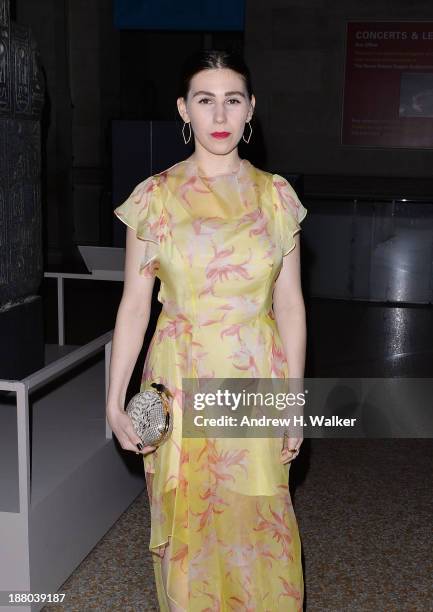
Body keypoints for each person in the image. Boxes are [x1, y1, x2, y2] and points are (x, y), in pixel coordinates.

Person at [106, 49, 307, 611]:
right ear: (184, 110)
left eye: (233, 100)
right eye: (205, 100)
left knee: (259, 518)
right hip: (179, 378)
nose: (219, 114)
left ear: (250, 112)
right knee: (188, 525)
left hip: (255, 376)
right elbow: (134, 305)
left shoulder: (276, 196)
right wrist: (114, 399)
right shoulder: (155, 196)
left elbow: (289, 305)